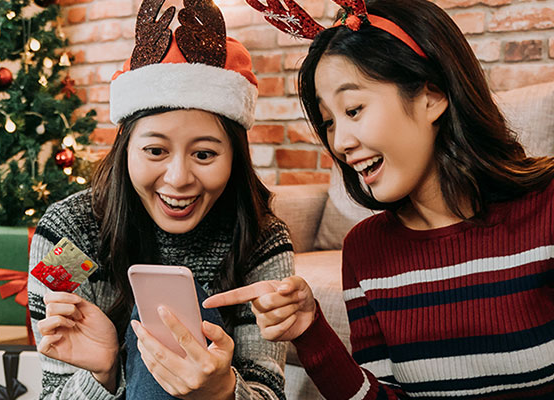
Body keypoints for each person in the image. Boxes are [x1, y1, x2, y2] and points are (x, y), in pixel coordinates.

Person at [205, 0, 554, 397]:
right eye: (329, 121)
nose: (340, 142)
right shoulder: (365, 250)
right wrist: (309, 330)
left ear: (432, 96)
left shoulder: (546, 207)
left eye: (354, 109)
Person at [27, 0, 293, 398]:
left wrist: (223, 389)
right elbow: (52, 390)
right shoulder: (68, 236)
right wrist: (102, 372)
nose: (178, 179)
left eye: (204, 154)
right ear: (126, 149)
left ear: (234, 158)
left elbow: (268, 391)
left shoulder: (260, 238)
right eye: (156, 151)